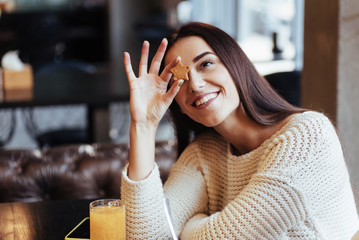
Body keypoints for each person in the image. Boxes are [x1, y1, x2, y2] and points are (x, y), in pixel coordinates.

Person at [122, 22, 359, 239]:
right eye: (179, 80)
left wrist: (189, 229)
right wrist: (143, 125)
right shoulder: (204, 155)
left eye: (206, 64)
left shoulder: (307, 137)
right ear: (180, 106)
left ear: (236, 66)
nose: (195, 84)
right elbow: (147, 237)